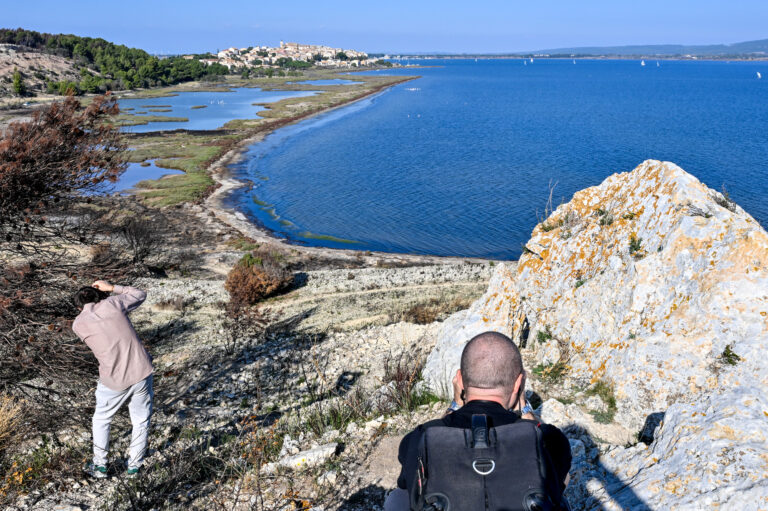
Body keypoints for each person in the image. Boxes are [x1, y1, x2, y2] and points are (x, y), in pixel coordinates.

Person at [386, 331, 572, 511]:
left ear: (459, 379)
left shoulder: (420, 437)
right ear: (519, 384)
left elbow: (408, 480)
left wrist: (454, 405)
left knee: (397, 498)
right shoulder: (549, 440)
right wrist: (525, 408)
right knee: (561, 483)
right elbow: (556, 476)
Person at [72, 280, 153, 479]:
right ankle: (134, 467)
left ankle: (100, 466)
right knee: (141, 421)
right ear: (101, 296)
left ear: (78, 305)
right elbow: (139, 294)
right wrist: (111, 288)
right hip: (141, 371)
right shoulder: (113, 305)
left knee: (101, 420)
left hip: (113, 378)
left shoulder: (78, 324)